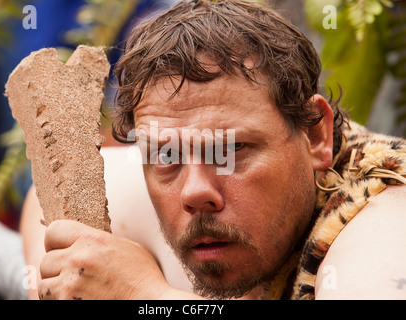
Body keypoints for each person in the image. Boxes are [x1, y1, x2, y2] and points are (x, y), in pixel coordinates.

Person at [22, 0, 406, 300]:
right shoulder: (168, 177)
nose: (194, 192)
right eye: (167, 155)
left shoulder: (382, 221)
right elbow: (49, 203)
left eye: (233, 149)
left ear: (316, 136)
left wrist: (146, 295)